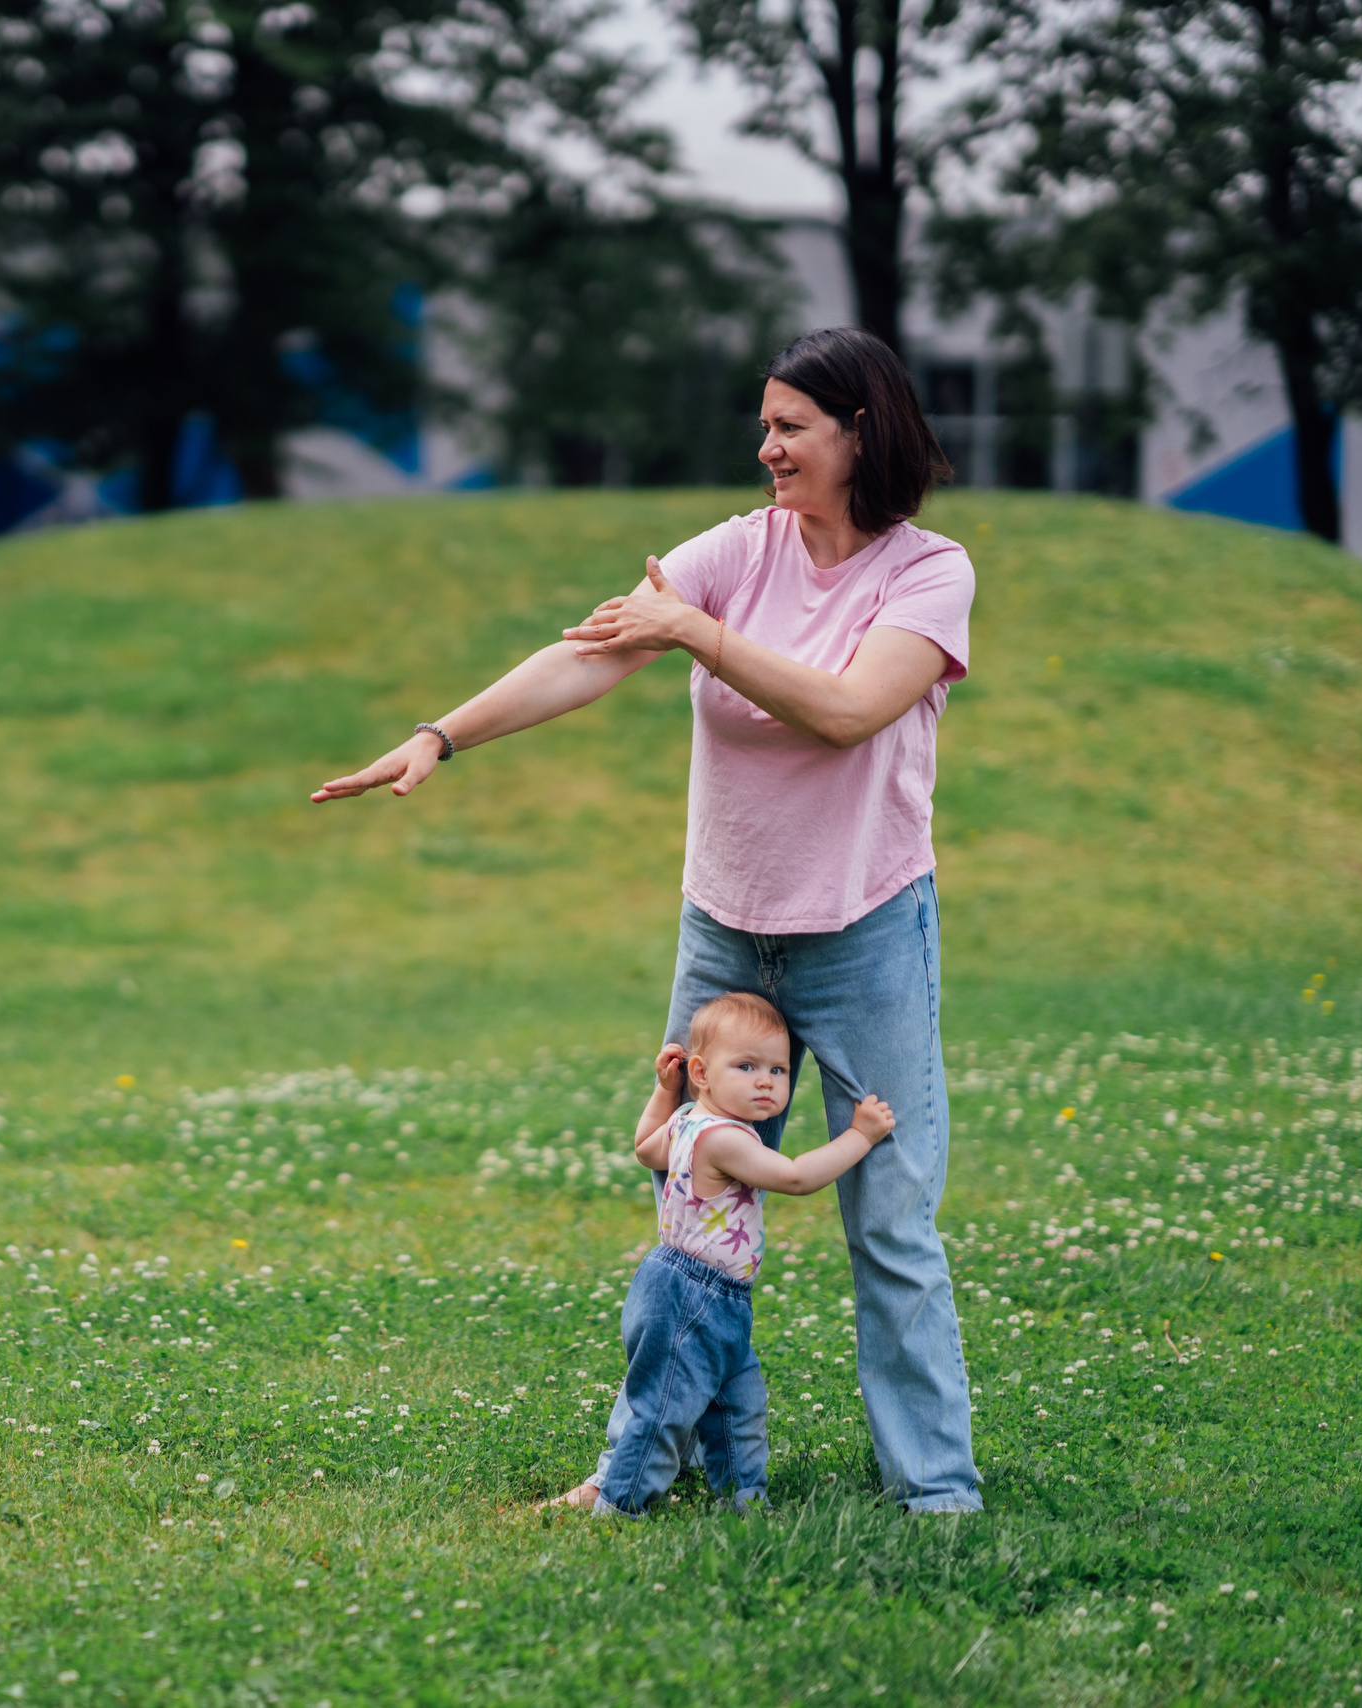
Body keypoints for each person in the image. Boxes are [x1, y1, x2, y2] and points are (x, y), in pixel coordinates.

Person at [313, 326, 982, 1513]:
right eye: (764, 422)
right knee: (687, 1216)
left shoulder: (927, 572)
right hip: (726, 930)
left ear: (859, 431)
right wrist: (439, 735)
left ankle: (934, 1491)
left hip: (867, 923)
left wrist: (698, 632)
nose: (764, 444)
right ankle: (645, 1462)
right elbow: (588, 654)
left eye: (788, 425)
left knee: (888, 1221)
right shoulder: (734, 551)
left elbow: (845, 712)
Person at [540, 992, 892, 1514]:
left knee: (738, 1404)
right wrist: (859, 1136)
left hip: (714, 1296)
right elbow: (794, 1177)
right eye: (746, 1066)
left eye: (777, 1068)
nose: (766, 1081)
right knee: (663, 1408)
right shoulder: (725, 1140)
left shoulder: (685, 1120)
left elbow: (644, 1148)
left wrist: (664, 1093)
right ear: (701, 1072)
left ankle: (744, 1501)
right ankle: (617, 1506)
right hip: (690, 1293)